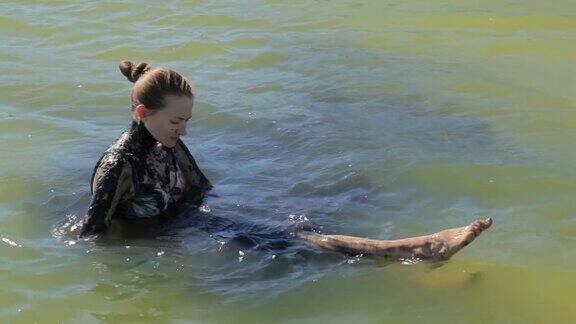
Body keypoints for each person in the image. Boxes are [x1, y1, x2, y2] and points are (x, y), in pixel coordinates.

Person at [79, 60, 492, 261]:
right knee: (289, 245)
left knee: (289, 234)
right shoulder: (119, 166)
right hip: (173, 241)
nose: (183, 130)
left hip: (197, 225)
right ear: (142, 114)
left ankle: (411, 253)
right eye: (176, 121)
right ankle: (414, 250)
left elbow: (203, 189)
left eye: (187, 121)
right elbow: (91, 236)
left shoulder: (168, 145)